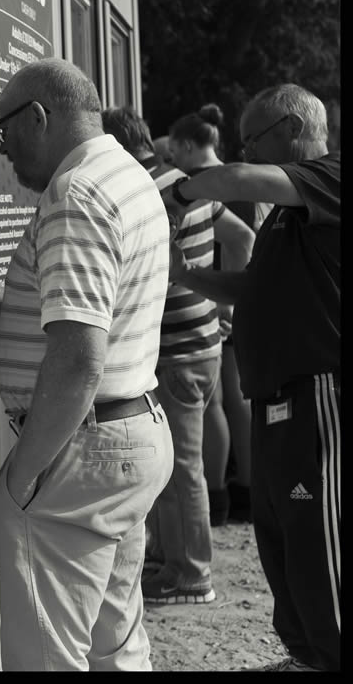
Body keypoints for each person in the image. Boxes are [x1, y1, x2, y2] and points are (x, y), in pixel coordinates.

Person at [0, 60, 173, 670]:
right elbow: (67, 314)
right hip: (128, 436)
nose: (3, 153)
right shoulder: (125, 177)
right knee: (116, 644)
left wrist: (22, 478)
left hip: (81, 451)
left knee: (46, 659)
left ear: (39, 118)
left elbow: (78, 355)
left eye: (4, 133)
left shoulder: (75, 197)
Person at [163, 84, 340, 673]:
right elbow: (252, 288)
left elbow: (236, 177)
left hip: (317, 395)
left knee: (318, 541)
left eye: (253, 139)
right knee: (280, 537)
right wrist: (187, 274)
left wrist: (181, 190)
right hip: (273, 398)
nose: (245, 151)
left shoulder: (328, 177)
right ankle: (305, 652)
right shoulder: (284, 217)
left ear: (291, 130)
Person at [139, 105, 255, 604]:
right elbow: (242, 238)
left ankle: (191, 575)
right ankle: (173, 561)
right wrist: (223, 300)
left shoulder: (156, 192)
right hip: (205, 343)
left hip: (179, 350)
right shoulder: (191, 186)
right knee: (183, 462)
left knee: (180, 467)